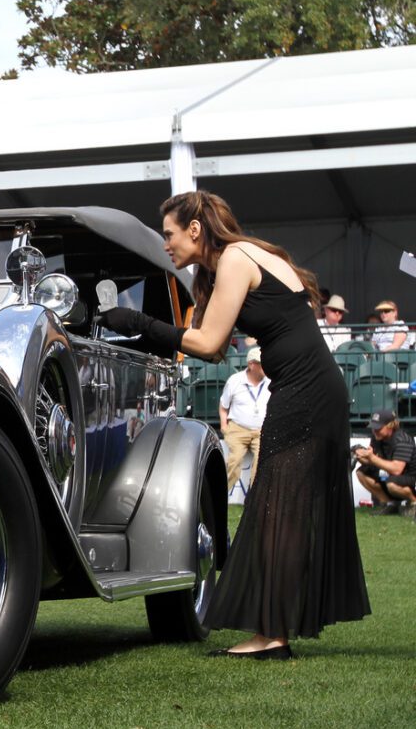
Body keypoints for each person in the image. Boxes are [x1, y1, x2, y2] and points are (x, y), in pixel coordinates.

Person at [102, 190, 369, 659]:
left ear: (195, 229)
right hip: (308, 390)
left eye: (169, 234)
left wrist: (139, 321)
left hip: (305, 393)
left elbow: (207, 344)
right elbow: (218, 346)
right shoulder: (236, 260)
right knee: (277, 508)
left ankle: (273, 635)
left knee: (277, 509)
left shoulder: (235, 258)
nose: (165, 244)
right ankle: (272, 631)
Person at [219, 347, 269, 493]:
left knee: (261, 462)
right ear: (251, 364)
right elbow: (223, 407)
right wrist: (224, 425)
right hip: (237, 429)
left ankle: (253, 498)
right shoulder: (234, 381)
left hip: (262, 430)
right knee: (234, 461)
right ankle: (220, 495)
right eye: (261, 363)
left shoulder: (270, 381)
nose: (266, 366)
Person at [354, 409, 415, 515]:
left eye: (378, 428)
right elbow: (374, 461)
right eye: (373, 428)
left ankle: (414, 501)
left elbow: (397, 469)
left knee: (391, 483)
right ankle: (389, 504)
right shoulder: (377, 437)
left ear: (390, 426)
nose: (375, 431)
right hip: (387, 474)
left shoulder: (403, 440)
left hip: (406, 476)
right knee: (361, 472)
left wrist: (371, 457)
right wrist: (359, 456)